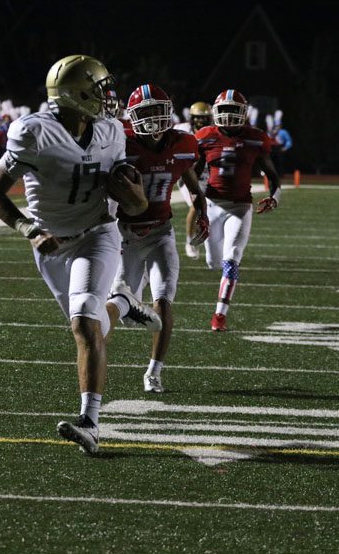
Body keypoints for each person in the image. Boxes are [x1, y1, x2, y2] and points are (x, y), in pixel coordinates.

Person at [0, 54, 160, 455]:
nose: (108, 98)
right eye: (99, 91)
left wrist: (134, 197)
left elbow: (132, 199)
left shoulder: (112, 131)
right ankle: (123, 301)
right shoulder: (34, 132)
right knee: (92, 325)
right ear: (75, 93)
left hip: (98, 233)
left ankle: (90, 423)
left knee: (83, 323)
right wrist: (29, 229)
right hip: (52, 244)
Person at [114, 84, 208, 393]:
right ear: (134, 117)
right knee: (122, 309)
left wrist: (202, 212)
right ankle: (130, 305)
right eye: (146, 113)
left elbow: (193, 185)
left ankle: (154, 371)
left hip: (160, 233)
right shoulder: (121, 144)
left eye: (158, 111)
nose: (153, 119)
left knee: (164, 300)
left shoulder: (183, 144)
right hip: (125, 235)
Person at [194, 89, 281, 332]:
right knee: (213, 262)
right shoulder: (204, 136)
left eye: (235, 111)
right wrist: (197, 203)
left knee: (231, 258)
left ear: (244, 114)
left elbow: (272, 174)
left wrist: (275, 196)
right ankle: (221, 298)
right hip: (212, 205)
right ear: (216, 112)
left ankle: (220, 315)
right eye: (225, 110)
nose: (230, 116)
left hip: (240, 207)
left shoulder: (255, 138)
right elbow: (192, 174)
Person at [174, 101, 213, 259]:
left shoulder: (213, 131)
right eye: (197, 118)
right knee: (195, 206)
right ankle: (189, 241)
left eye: (203, 118)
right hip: (186, 173)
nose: (200, 121)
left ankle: (201, 237)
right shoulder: (181, 130)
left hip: (205, 173)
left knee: (208, 208)